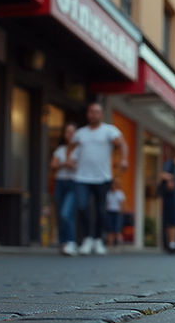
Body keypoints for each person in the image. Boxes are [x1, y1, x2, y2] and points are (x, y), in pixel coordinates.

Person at [69, 102, 129, 256]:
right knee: (82, 206)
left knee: (101, 210)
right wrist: (70, 159)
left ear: (101, 115)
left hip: (103, 177)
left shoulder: (109, 131)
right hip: (82, 177)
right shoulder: (81, 133)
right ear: (87, 114)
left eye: (97, 112)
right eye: (91, 111)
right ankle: (88, 238)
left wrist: (124, 159)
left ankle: (98, 240)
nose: (94, 114)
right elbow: (71, 147)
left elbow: (122, 144)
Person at [50, 123, 79, 256]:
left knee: (66, 213)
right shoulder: (60, 149)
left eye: (72, 132)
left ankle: (71, 241)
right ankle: (63, 243)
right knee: (60, 213)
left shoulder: (80, 150)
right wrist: (65, 164)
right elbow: (53, 164)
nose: (70, 135)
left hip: (74, 183)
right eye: (67, 132)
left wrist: (69, 164)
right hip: (61, 183)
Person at [159, 155, 175, 252]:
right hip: (171, 197)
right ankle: (171, 243)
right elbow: (162, 175)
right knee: (171, 220)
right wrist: (171, 179)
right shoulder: (170, 164)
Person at [105, 179, 126, 248]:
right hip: (110, 211)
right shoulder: (109, 193)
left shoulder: (119, 193)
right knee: (110, 229)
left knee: (117, 229)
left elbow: (122, 203)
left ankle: (120, 244)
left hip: (117, 212)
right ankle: (109, 245)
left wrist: (122, 211)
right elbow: (107, 203)